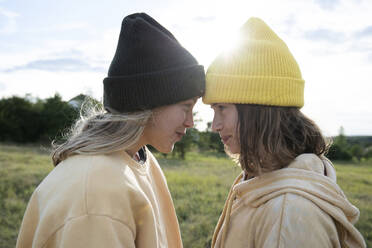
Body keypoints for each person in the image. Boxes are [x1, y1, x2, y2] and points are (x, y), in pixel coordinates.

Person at [16, 13, 205, 248]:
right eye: (186, 107)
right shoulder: (95, 196)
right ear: (147, 103)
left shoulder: (141, 159)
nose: (191, 122)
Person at [203, 17, 366, 248]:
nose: (214, 125)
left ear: (256, 110)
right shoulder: (265, 176)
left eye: (222, 108)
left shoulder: (288, 217)